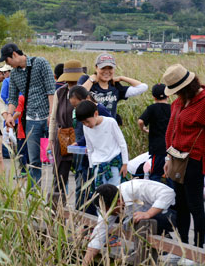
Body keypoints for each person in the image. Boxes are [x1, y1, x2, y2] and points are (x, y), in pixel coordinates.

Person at [83, 180, 177, 265]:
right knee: (130, 222)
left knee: (141, 219)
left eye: (110, 211)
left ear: (119, 202)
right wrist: (85, 262)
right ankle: (148, 250)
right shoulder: (108, 205)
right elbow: (99, 234)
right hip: (143, 217)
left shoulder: (136, 188)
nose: (109, 214)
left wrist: (148, 213)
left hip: (169, 213)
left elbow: (169, 193)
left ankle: (169, 252)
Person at [162, 64, 205, 247]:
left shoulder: (203, 102)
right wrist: (168, 158)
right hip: (176, 158)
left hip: (195, 160)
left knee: (195, 205)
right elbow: (171, 130)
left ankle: (198, 248)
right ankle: (183, 246)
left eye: (179, 90)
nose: (177, 93)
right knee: (181, 204)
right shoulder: (178, 102)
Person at [1, 43, 56, 187]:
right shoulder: (14, 74)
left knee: (56, 159)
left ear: (14, 55)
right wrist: (9, 116)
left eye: (7, 61)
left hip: (47, 116)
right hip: (30, 119)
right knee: (34, 160)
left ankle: (58, 193)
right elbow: (12, 98)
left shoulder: (41, 63)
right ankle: (34, 194)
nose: (8, 65)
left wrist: (52, 114)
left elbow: (51, 89)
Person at [68, 85, 112, 211]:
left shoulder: (101, 111)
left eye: (77, 105)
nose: (76, 109)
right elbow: (88, 134)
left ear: (87, 98)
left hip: (99, 158)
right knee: (82, 186)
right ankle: (81, 216)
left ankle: (88, 217)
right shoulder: (84, 113)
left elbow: (108, 133)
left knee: (90, 188)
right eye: (74, 107)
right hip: (87, 157)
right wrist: (80, 143)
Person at [48, 59, 84, 206]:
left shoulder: (85, 91)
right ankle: (57, 209)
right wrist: (51, 140)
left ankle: (81, 209)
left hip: (81, 137)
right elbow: (54, 117)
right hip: (62, 136)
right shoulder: (60, 92)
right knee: (59, 175)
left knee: (81, 176)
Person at [80, 52, 148, 122]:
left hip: (109, 128)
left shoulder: (116, 87)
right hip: (91, 128)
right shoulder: (86, 80)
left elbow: (143, 87)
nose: (106, 71)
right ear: (96, 68)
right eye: (103, 68)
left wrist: (121, 78)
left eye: (110, 68)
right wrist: (91, 80)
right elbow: (78, 95)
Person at [76, 100, 129, 188]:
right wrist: (91, 166)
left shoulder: (110, 122)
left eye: (87, 121)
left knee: (115, 191)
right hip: (98, 164)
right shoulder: (86, 128)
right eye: (83, 123)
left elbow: (122, 143)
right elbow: (89, 148)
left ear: (96, 114)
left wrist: (125, 163)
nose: (86, 124)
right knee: (99, 193)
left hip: (113, 162)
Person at [138, 83, 171, 182]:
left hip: (157, 147)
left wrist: (143, 129)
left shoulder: (152, 108)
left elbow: (140, 121)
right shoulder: (172, 108)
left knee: (156, 174)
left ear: (153, 97)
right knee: (170, 174)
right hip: (171, 147)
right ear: (168, 95)